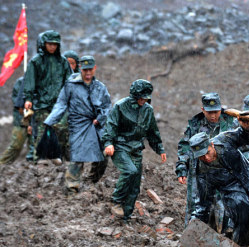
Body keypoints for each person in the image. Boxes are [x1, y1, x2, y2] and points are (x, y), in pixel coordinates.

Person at [44, 56, 111, 192]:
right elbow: (61, 104)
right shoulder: (71, 85)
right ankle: (72, 186)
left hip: (96, 125)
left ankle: (92, 180)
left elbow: (106, 106)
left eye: (90, 69)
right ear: (80, 68)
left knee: (103, 155)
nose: (87, 73)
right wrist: (50, 121)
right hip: (78, 124)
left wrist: (100, 118)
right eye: (85, 69)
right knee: (78, 154)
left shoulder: (100, 87)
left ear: (95, 69)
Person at [102, 79, 166, 221]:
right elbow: (110, 126)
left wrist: (160, 149)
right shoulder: (120, 106)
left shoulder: (148, 110)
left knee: (134, 187)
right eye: (141, 97)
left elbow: (152, 131)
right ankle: (116, 200)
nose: (144, 100)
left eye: (146, 98)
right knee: (130, 171)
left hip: (136, 149)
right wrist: (108, 143)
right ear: (135, 95)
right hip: (120, 147)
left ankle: (125, 217)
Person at [188, 124, 249, 247]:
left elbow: (245, 136)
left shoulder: (225, 140)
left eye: (207, 153)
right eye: (202, 157)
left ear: (212, 145)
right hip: (230, 191)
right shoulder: (202, 170)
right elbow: (203, 200)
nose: (207, 158)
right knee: (241, 210)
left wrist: (247, 127)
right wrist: (194, 223)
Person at [176, 92, 235, 225]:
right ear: (203, 110)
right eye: (209, 112)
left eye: (216, 111)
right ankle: (192, 236)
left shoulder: (231, 123)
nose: (213, 116)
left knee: (224, 207)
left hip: (223, 172)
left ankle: (224, 237)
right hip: (199, 172)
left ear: (220, 108)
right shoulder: (195, 125)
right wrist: (181, 167)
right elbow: (185, 147)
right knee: (196, 206)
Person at [23, 30, 72, 163]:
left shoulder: (62, 62)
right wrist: (28, 98)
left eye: (55, 44)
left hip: (58, 104)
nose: (52, 47)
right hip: (41, 103)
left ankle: (59, 156)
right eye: (49, 44)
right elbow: (30, 81)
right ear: (43, 44)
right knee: (41, 131)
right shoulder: (36, 62)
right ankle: (37, 159)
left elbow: (69, 82)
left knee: (61, 129)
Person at [0, 77, 29, 164]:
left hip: (36, 120)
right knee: (16, 145)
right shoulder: (21, 82)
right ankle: (2, 163)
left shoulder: (43, 81)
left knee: (35, 146)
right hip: (21, 119)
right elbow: (17, 101)